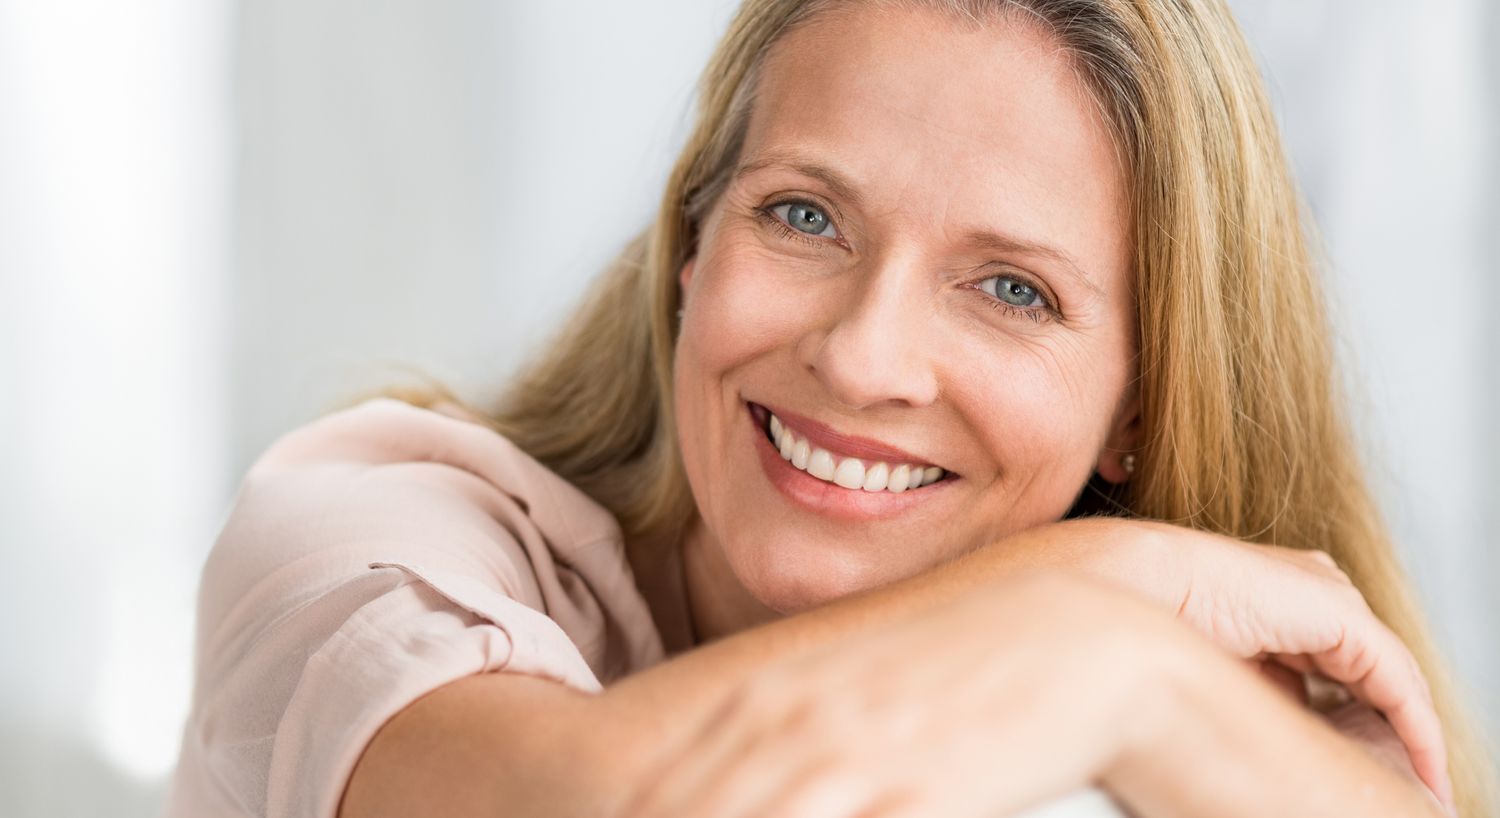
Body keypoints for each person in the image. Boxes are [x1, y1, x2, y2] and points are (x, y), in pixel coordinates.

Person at [163, 1, 1497, 816]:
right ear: (691, 242)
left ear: (1138, 406)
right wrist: (1104, 636)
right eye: (803, 214)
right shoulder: (366, 541)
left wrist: (1130, 677)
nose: (864, 359)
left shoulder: (1192, 690)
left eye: (1012, 290)